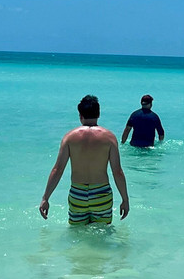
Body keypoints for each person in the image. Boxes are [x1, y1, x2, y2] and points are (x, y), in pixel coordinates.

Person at [39, 95, 130, 225]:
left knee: (77, 235)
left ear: (80, 115)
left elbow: (57, 170)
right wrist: (125, 199)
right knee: (102, 235)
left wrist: (45, 198)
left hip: (78, 194)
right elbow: (118, 172)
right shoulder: (109, 138)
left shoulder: (69, 137)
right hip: (101, 194)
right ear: (98, 114)